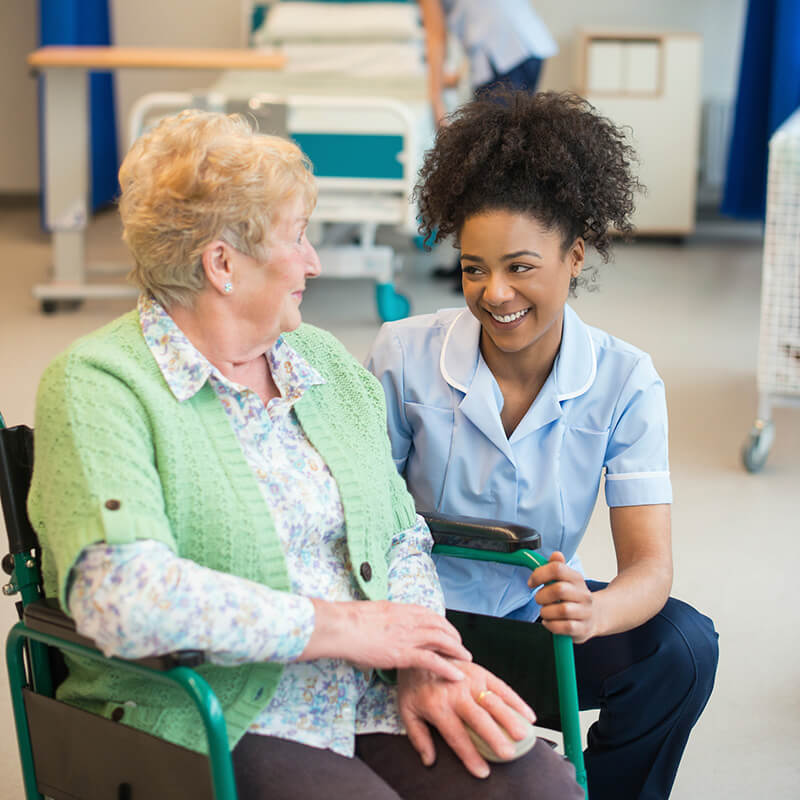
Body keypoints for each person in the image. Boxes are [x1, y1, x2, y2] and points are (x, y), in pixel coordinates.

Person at [25, 110, 582, 800]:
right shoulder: (100, 385)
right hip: (208, 713)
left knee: (538, 785)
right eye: (297, 238)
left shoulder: (318, 364)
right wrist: (345, 627)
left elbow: (402, 536)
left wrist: (421, 658)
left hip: (366, 693)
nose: (314, 261)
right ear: (221, 264)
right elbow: (122, 599)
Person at [366, 90, 719, 800]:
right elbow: (365, 520)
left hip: (537, 628)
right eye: (472, 268)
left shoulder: (625, 379)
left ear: (575, 256)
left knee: (684, 647)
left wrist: (596, 611)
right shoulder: (403, 353)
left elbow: (650, 569)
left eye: (520, 266)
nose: (495, 293)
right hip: (422, 628)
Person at [416, 0, 558, 287]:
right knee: (493, 165)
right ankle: (475, 264)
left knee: (489, 169)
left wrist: (436, 103)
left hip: (510, 54)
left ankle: (483, 267)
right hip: (519, 49)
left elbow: (436, 36)